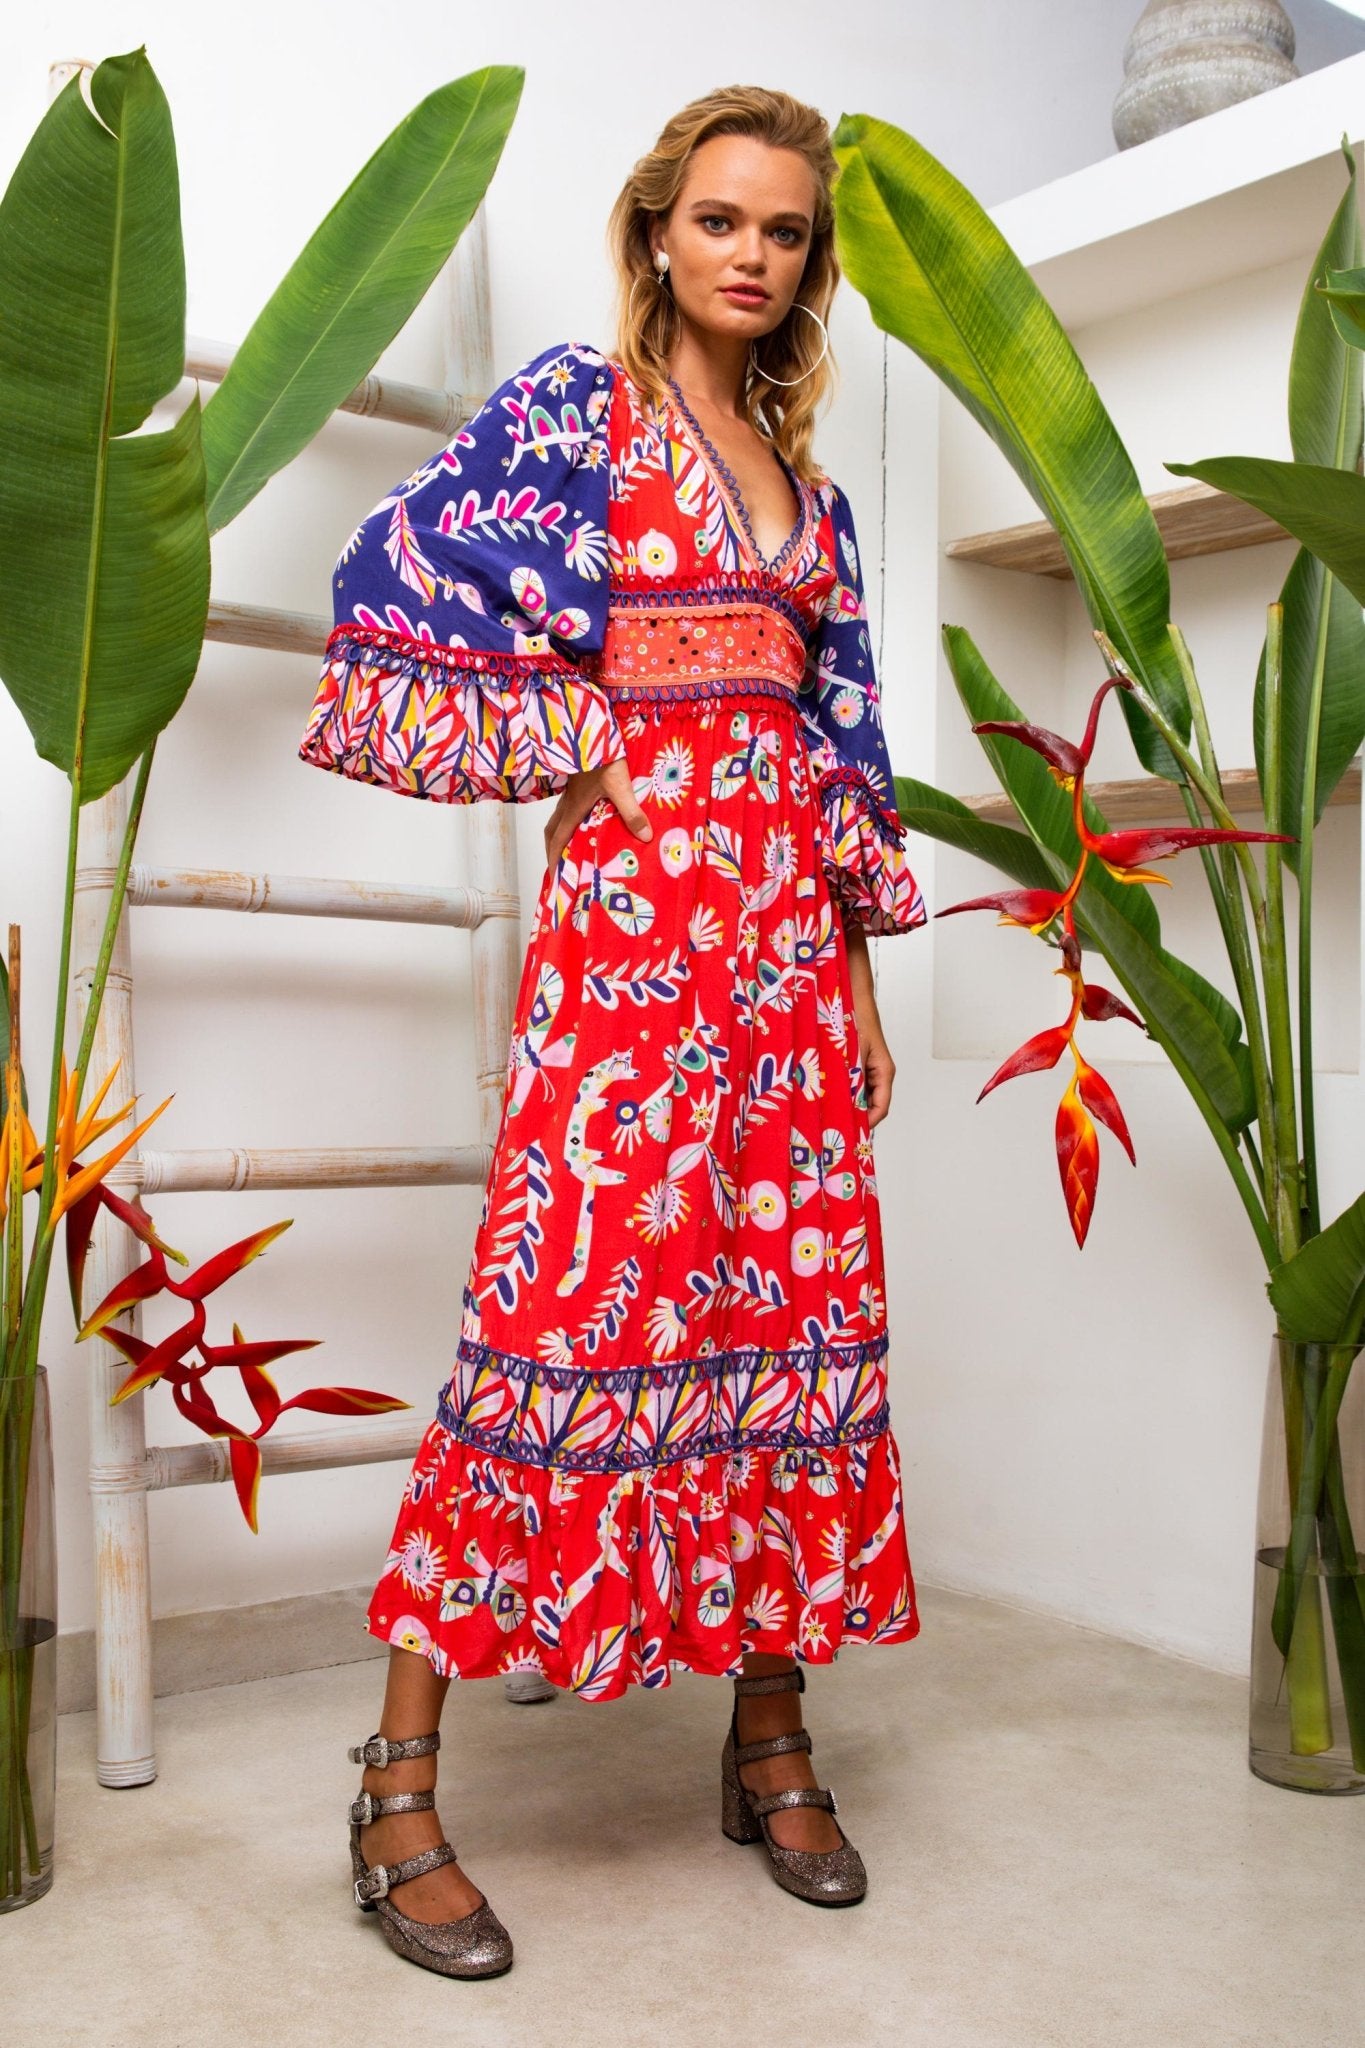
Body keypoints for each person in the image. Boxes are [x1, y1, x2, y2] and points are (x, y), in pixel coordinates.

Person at [298, 83, 927, 1980]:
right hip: (635, 957)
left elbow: (838, 750)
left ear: (807, 261)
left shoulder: (811, 497)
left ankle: (769, 1742)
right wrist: (573, 737)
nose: (751, 254)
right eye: (719, 218)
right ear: (659, 229)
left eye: (784, 231)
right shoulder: (581, 413)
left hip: (786, 977)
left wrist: (857, 978)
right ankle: (396, 1794)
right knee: (554, 1323)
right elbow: (390, 584)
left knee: (784, 1330)